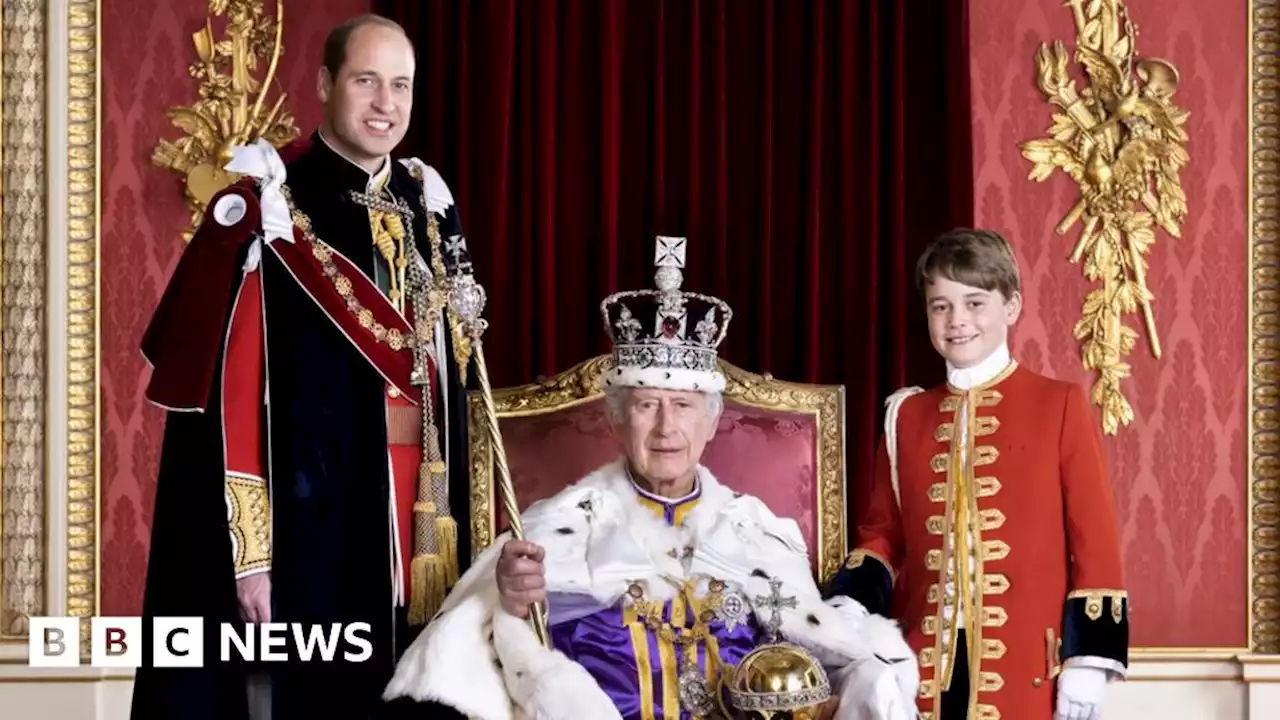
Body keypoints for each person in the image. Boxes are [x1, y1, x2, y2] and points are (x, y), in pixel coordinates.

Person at [382, 236, 920, 720]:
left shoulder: (760, 534)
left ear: (712, 422)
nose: (666, 427)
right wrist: (514, 603)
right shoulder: (555, 530)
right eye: (646, 405)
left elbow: (823, 658)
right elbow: (492, 650)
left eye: (684, 406)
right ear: (616, 418)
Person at [131, 14, 478, 720]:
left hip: (427, 516)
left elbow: (457, 381)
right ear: (324, 84)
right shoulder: (270, 201)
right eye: (366, 81)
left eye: (401, 85)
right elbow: (232, 393)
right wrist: (251, 554)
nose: (386, 103)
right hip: (313, 512)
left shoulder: (428, 205)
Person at [828, 228, 1128, 720]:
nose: (957, 320)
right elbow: (884, 534)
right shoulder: (906, 415)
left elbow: (1094, 540)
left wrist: (1089, 659)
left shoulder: (1060, 404)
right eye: (940, 306)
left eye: (974, 302)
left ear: (1011, 307)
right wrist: (849, 602)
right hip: (924, 669)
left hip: (1033, 668)